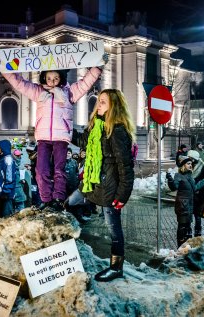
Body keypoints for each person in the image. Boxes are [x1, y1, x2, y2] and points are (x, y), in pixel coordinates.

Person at [0, 57, 106, 212]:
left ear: (61, 78)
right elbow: (20, 83)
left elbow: (85, 83)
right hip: (43, 137)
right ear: (44, 77)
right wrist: (5, 69)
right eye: (49, 78)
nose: (52, 81)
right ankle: (45, 198)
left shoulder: (69, 92)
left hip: (61, 137)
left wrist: (97, 67)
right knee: (41, 170)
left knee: (59, 170)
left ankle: (57, 198)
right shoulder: (38, 92)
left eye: (56, 78)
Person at [68, 88, 135, 282]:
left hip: (109, 187)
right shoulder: (96, 126)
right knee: (69, 203)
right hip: (92, 182)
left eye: (104, 102)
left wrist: (122, 195)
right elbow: (83, 142)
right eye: (99, 101)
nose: (99, 104)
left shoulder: (117, 130)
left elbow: (125, 166)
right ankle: (70, 247)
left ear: (114, 106)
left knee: (114, 229)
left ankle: (116, 267)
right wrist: (62, 126)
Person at [166, 156, 204, 247]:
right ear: (183, 165)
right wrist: (170, 180)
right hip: (182, 205)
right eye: (188, 164)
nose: (190, 165)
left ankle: (184, 248)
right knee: (182, 227)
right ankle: (179, 246)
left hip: (189, 205)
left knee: (187, 227)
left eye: (191, 164)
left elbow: (194, 189)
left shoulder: (189, 175)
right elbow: (174, 187)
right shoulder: (178, 175)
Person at [187, 150, 204, 237]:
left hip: (198, 194)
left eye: (190, 158)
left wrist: (197, 186)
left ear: (194, 159)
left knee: (197, 215)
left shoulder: (202, 167)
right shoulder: (187, 166)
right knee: (188, 214)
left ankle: (198, 230)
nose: (189, 159)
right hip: (188, 195)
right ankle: (188, 230)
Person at [0, 140, 16, 218]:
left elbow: (9, 177)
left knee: (6, 219)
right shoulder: (3, 159)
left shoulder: (8, 159)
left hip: (6, 195)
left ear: (4, 148)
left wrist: (5, 191)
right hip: (2, 194)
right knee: (1, 219)